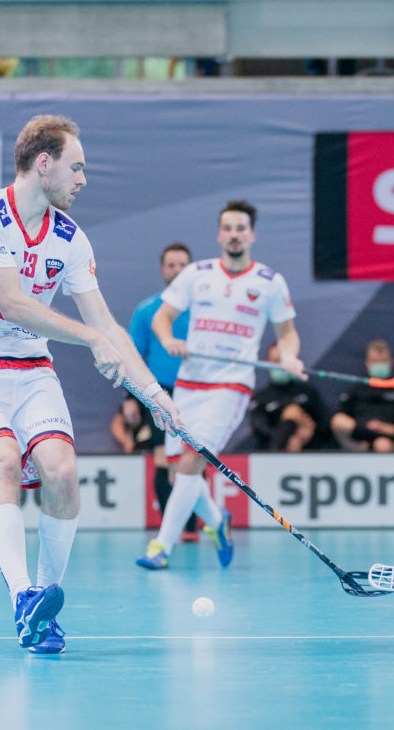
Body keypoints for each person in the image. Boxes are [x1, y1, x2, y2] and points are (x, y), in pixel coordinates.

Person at [0, 114, 180, 655]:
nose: (83, 179)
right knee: (2, 458)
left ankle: (44, 603)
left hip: (28, 363)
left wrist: (155, 395)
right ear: (44, 163)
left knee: (62, 471)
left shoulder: (70, 238)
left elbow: (106, 322)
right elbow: (13, 304)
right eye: (76, 167)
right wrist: (90, 339)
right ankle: (22, 597)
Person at [136, 199, 305, 571]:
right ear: (219, 235)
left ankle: (161, 548)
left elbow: (287, 333)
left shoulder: (269, 282)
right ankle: (217, 520)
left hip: (231, 385)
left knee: (192, 461)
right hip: (189, 383)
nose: (234, 234)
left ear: (252, 234)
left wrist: (289, 356)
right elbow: (162, 318)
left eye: (240, 228)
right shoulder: (197, 274)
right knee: (179, 468)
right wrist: (168, 340)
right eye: (227, 228)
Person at [126, 242, 197, 540]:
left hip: (197, 390)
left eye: (183, 265)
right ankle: (172, 530)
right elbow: (133, 357)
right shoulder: (147, 310)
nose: (178, 270)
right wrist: (130, 399)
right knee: (162, 458)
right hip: (160, 393)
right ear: (162, 270)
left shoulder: (204, 309)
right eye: (172, 265)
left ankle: (191, 527)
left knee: (194, 457)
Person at [330, 339, 394, 453]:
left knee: (382, 445)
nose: (379, 365)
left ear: (390, 361)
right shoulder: (357, 389)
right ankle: (357, 452)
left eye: (382, 361)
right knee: (338, 421)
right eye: (375, 361)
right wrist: (365, 426)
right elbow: (342, 415)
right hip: (361, 436)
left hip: (387, 438)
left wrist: (384, 428)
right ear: (367, 363)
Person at [247, 344, 331, 451]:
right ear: (268, 364)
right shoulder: (260, 399)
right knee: (292, 413)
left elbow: (325, 424)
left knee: (294, 412)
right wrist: (289, 437)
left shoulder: (308, 391)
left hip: (312, 452)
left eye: (283, 361)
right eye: (276, 361)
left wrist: (306, 432)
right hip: (273, 454)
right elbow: (261, 432)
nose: (280, 366)